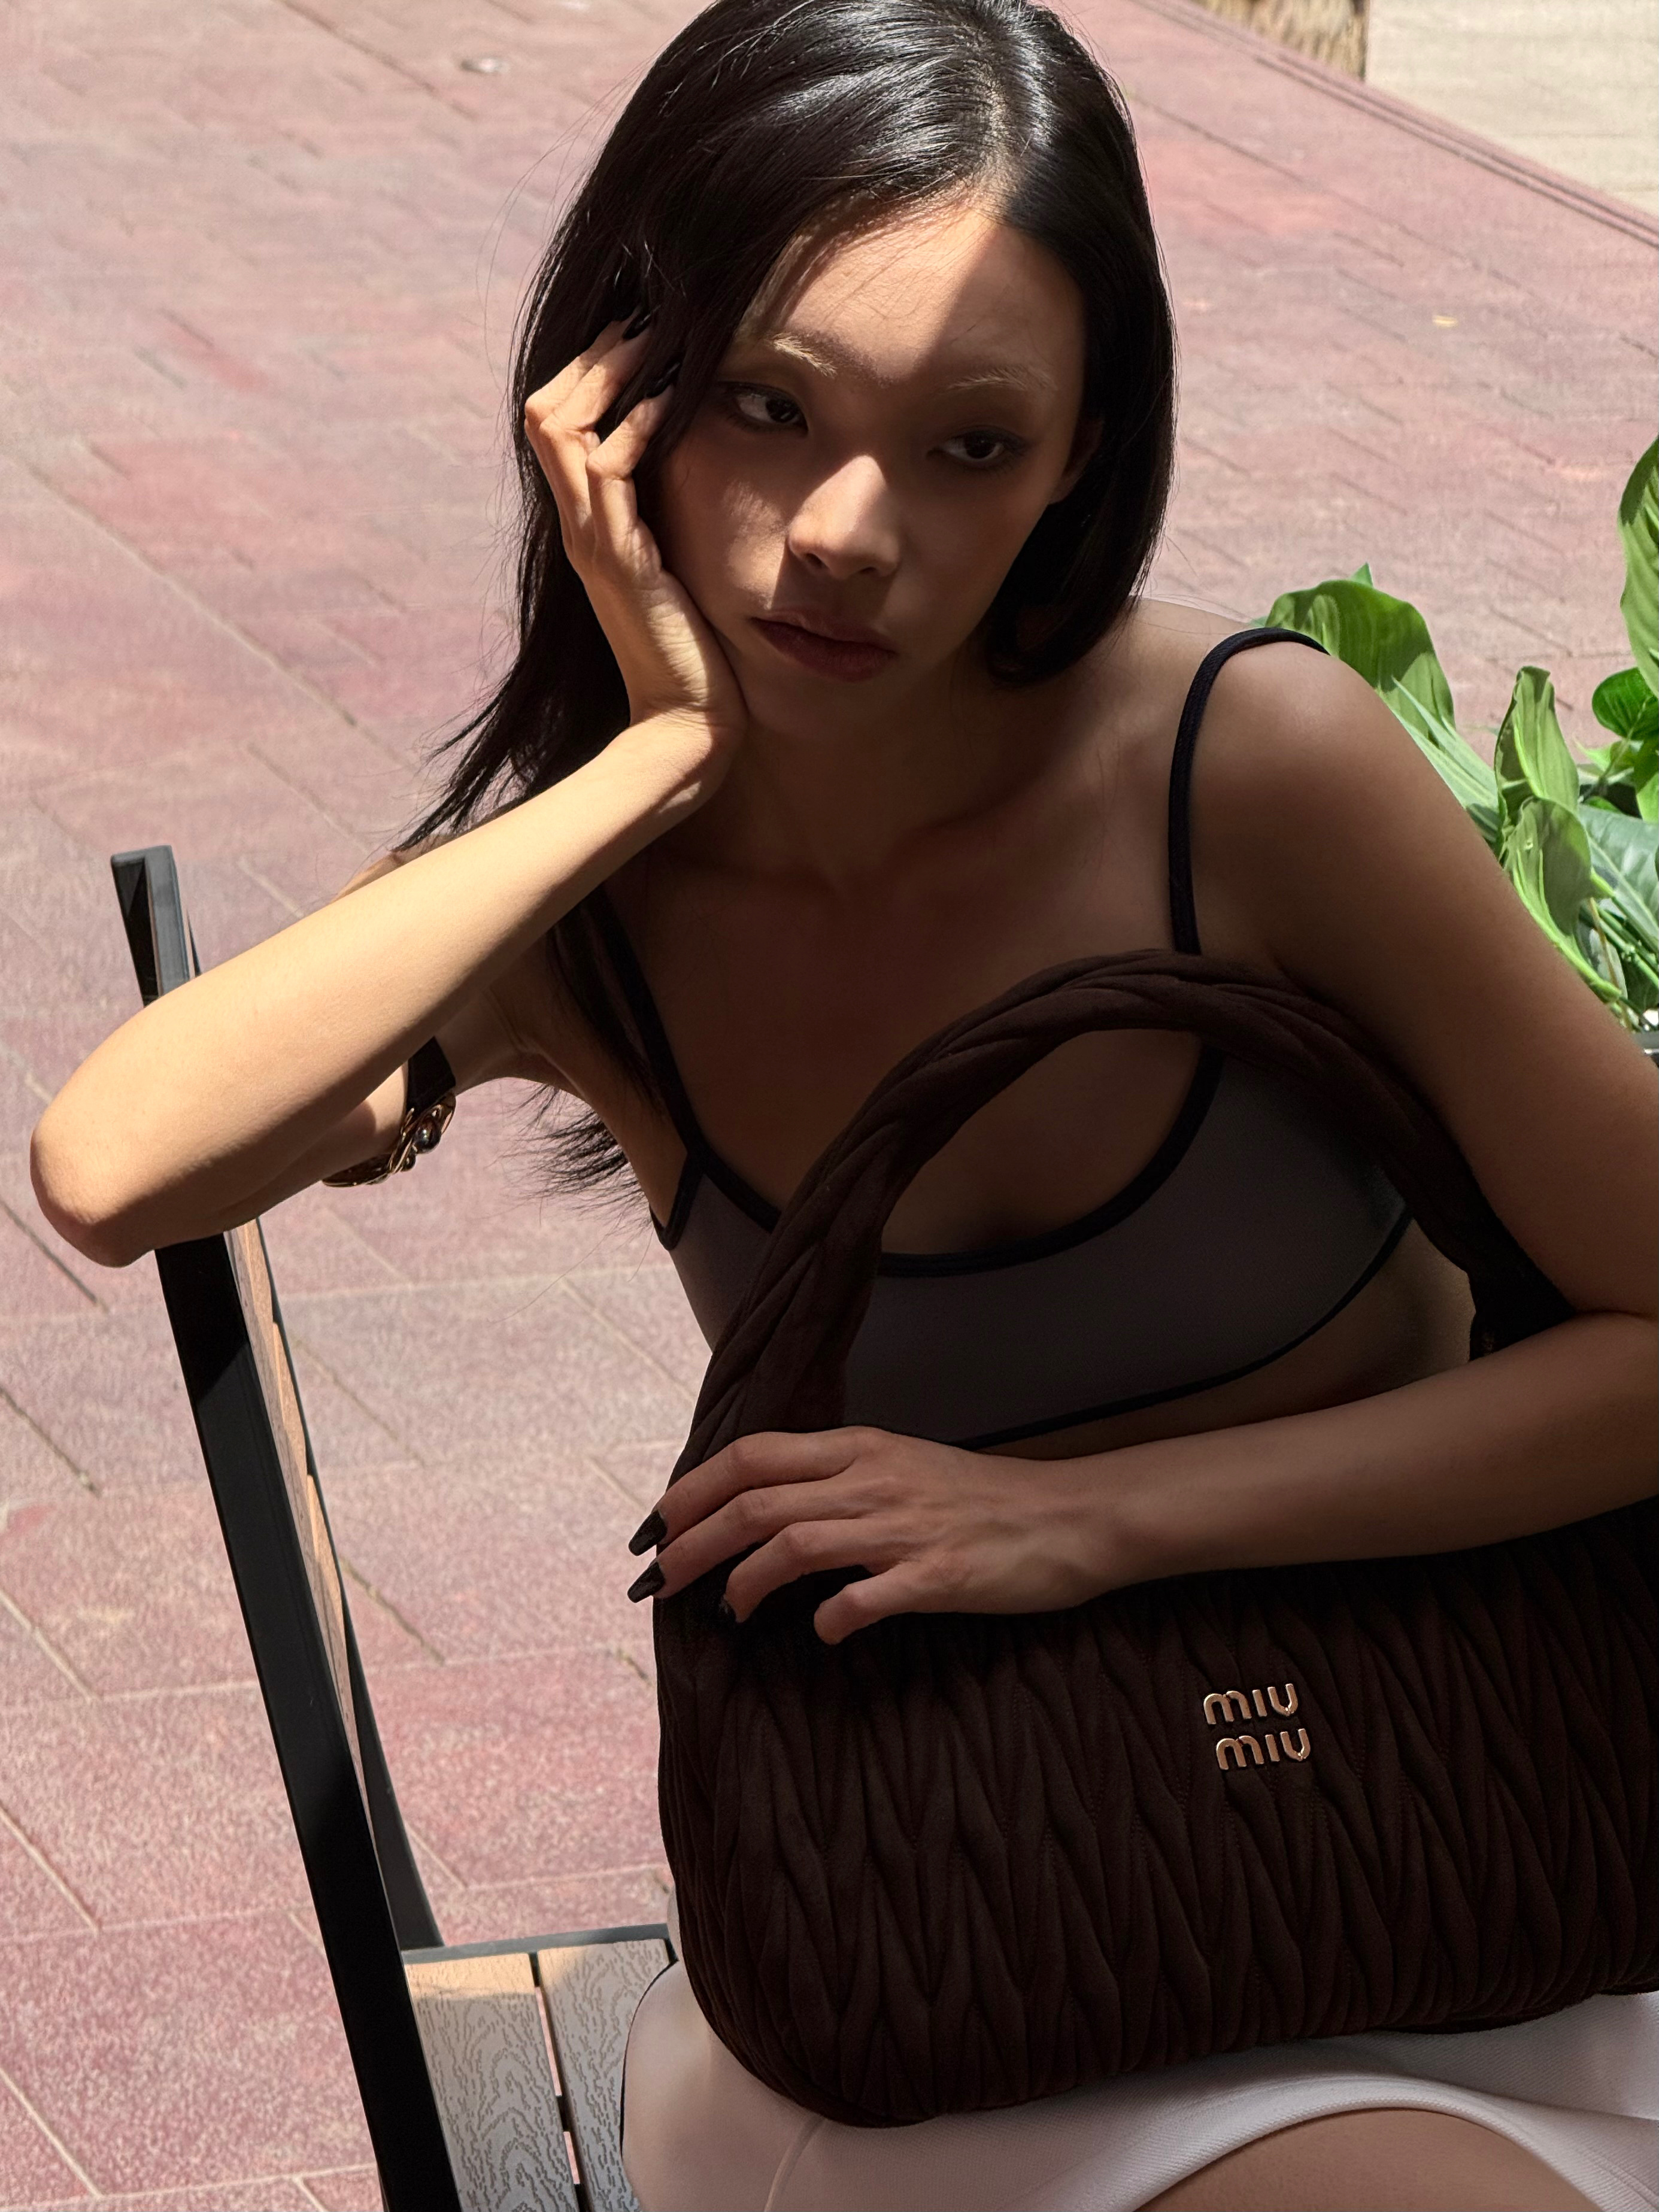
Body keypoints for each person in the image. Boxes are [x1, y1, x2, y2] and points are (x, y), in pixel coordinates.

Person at [29, 1, 1655, 2205]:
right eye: (769, 408)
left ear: (1079, 457)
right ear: (615, 398)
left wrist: (1087, 1522)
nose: (845, 533)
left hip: (1444, 1843)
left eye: (970, 445)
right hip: (954, 1954)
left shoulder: (1238, 774)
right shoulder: (597, 917)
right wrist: (647, 763)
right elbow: (113, 1164)